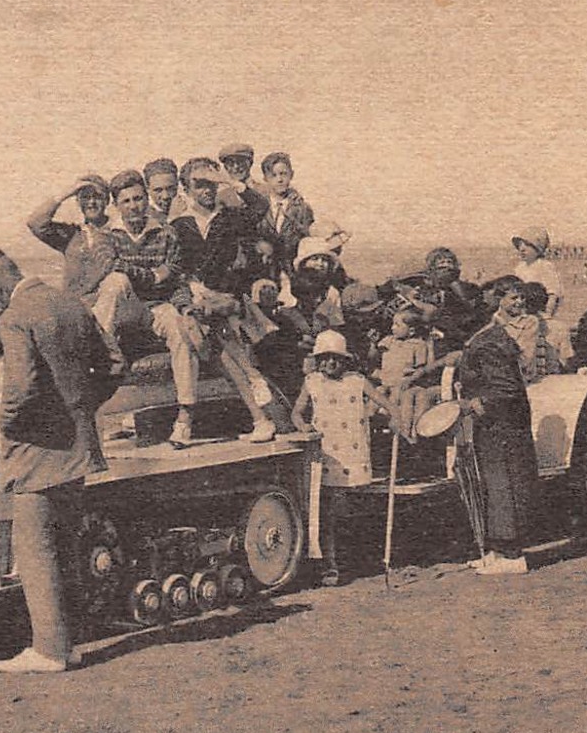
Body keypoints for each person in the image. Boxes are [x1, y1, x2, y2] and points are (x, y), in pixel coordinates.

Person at [0, 249, 118, 673]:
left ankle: (49, 651)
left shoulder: (13, 316)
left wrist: (9, 425)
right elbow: (114, 364)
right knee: (65, 545)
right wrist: (79, 407)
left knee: (33, 549)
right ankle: (67, 644)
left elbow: (19, 389)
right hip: (77, 450)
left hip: (35, 453)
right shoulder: (70, 302)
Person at [168, 158, 277, 442]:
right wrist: (195, 290)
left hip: (228, 297)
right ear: (186, 189)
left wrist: (233, 183)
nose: (206, 190)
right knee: (220, 351)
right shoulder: (179, 225)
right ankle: (257, 401)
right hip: (197, 298)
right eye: (199, 184)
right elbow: (177, 267)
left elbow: (261, 207)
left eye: (211, 184)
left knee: (220, 337)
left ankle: (257, 416)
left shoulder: (229, 216)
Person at [94, 169, 202, 445]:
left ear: (146, 199)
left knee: (179, 327)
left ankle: (185, 417)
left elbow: (175, 278)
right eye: (126, 201)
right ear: (116, 205)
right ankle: (99, 350)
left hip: (157, 307)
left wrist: (186, 308)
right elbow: (111, 266)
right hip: (125, 307)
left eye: (139, 199)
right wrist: (154, 275)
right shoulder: (107, 235)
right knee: (116, 281)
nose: (134, 206)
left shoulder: (165, 234)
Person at [290, 330, 395, 585]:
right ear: (317, 360)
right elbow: (296, 413)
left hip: (353, 455)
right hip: (327, 455)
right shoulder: (312, 382)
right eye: (324, 358)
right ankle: (330, 564)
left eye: (336, 358)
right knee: (327, 512)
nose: (330, 364)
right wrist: (304, 427)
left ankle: (358, 557)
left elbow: (386, 403)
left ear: (345, 360)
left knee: (353, 509)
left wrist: (393, 418)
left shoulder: (357, 381)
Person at [455, 278, 542, 575]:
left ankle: (513, 554)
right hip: (495, 420)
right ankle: (496, 549)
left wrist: (481, 403)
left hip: (502, 418)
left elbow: (505, 387)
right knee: (493, 481)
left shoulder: (492, 341)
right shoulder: (489, 337)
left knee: (506, 480)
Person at [26, 175, 120, 307]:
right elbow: (35, 223)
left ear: (107, 200)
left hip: (106, 307)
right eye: (85, 197)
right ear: (78, 202)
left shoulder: (118, 232)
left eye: (97, 197)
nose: (91, 202)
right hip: (73, 308)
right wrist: (66, 193)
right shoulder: (71, 235)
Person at [374, 308, 437, 439]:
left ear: (411, 330)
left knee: (398, 396)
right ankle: (372, 419)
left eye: (397, 325)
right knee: (377, 394)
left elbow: (422, 369)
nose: (392, 328)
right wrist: (373, 344)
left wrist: (411, 379)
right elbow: (373, 357)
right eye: (392, 324)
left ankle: (393, 421)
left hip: (402, 383)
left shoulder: (418, 345)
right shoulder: (388, 341)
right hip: (385, 382)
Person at [254, 152, 315, 283]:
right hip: (264, 273)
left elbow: (307, 241)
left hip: (293, 273)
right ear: (265, 178)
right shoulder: (258, 206)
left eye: (283, 174)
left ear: (291, 174)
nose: (280, 180)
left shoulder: (302, 209)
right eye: (273, 175)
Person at [511, 225, 564, 318]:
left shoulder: (544, 266)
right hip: (522, 312)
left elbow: (553, 294)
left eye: (527, 245)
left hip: (539, 313)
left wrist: (548, 313)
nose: (522, 249)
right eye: (519, 245)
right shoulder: (519, 267)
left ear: (538, 249)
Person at [216, 142, 270, 221]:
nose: (236, 167)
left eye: (240, 162)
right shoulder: (221, 197)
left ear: (250, 163)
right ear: (226, 167)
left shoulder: (266, 191)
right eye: (230, 163)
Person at [142, 157, 180, 222]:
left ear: (177, 185)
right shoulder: (142, 215)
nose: (166, 196)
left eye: (170, 189)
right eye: (158, 190)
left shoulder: (188, 208)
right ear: (147, 189)